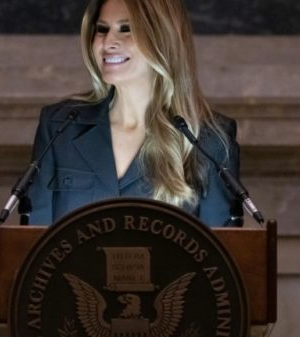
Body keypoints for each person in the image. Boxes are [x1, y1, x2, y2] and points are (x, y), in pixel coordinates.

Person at [25, 0, 242, 227]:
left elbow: (221, 254)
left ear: (163, 37)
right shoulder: (60, 126)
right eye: (102, 29)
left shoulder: (210, 141)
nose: (108, 42)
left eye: (126, 29)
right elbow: (33, 244)